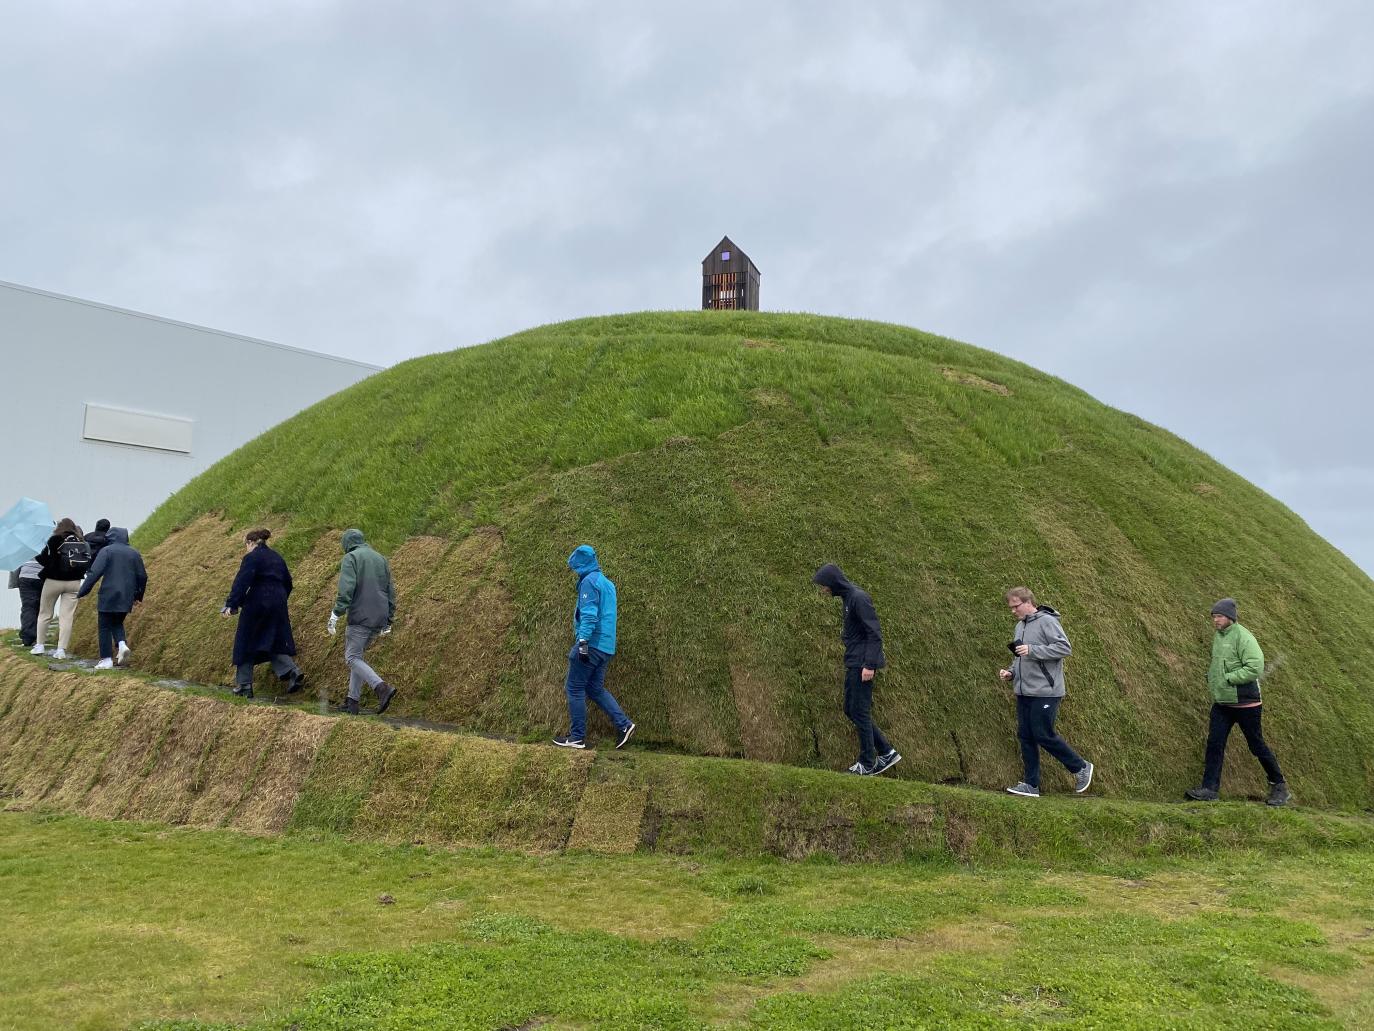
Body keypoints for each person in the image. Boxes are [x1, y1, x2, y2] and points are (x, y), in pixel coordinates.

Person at [1185, 598, 1290, 806]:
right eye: (1214, 617)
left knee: (1256, 745)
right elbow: (1220, 663)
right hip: (1223, 703)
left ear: (1230, 618)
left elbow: (1255, 667)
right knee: (1215, 744)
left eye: (1220, 616)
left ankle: (1279, 786)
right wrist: (1213, 678)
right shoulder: (1219, 636)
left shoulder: (1244, 637)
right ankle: (1209, 789)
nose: (1216, 620)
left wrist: (1229, 679)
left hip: (1246, 704)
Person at [998, 587, 1093, 797]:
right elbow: (1019, 656)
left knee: (1043, 734)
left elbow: (1064, 648)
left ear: (1028, 602)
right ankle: (1031, 785)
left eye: (1016, 606)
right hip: (1024, 691)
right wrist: (1011, 673)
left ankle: (1081, 768)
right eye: (1011, 607)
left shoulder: (1048, 621)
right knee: (1026, 736)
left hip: (1046, 691)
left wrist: (1033, 650)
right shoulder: (1019, 627)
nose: (1013, 611)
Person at [812, 564, 901, 776]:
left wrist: (869, 665)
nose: (823, 590)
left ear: (833, 582)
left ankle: (867, 763)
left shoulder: (858, 598)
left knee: (860, 711)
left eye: (824, 586)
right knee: (850, 709)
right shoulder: (847, 599)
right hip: (854, 661)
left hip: (862, 664)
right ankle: (887, 752)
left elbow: (874, 632)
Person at [553, 545, 635, 750]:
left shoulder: (589, 582)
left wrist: (582, 642)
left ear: (580, 564)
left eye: (575, 567)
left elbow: (589, 614)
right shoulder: (607, 583)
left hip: (592, 644)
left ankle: (577, 737)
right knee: (594, 688)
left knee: (574, 688)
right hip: (606, 646)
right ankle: (624, 725)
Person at [220, 528, 304, 699]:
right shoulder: (277, 557)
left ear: (251, 543)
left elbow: (242, 582)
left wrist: (231, 604)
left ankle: (244, 685)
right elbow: (288, 582)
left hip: (258, 601)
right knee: (272, 638)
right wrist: (278, 600)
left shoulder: (252, 557)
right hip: (279, 602)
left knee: (245, 640)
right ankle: (293, 671)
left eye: (246, 545)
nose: (246, 549)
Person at [327, 528, 397, 715]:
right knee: (357, 657)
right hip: (380, 617)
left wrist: (336, 613)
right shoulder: (381, 558)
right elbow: (390, 590)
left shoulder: (351, 558)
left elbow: (346, 589)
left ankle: (381, 688)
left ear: (346, 544)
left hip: (361, 615)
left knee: (351, 658)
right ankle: (352, 701)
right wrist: (389, 619)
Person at [75, 527, 147, 669]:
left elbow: (94, 573)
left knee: (104, 626)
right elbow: (143, 576)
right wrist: (138, 596)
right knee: (117, 622)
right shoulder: (134, 553)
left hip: (109, 594)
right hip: (127, 595)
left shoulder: (106, 551)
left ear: (111, 538)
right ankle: (121, 645)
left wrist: (82, 592)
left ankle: (106, 659)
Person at [32, 517, 90, 659]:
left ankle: (40, 645)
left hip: (53, 580)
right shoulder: (82, 541)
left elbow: (44, 559)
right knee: (66, 617)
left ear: (60, 527)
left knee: (45, 613)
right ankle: (61, 650)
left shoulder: (54, 540)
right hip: (74, 583)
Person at [8, 558, 44, 647]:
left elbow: (15, 559)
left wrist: (14, 581)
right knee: (41, 607)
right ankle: (38, 636)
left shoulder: (25, 544)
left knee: (28, 607)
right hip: (44, 577)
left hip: (26, 576)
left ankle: (28, 638)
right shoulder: (50, 543)